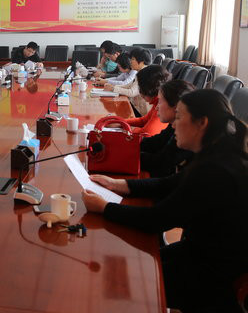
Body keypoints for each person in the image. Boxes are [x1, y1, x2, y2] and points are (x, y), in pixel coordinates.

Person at [82, 89, 248, 312]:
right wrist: (118, 184)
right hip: (199, 253)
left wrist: (105, 208)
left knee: (121, 280)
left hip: (215, 277)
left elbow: (157, 219)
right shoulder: (218, 154)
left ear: (202, 123)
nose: (173, 125)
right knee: (132, 260)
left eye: (179, 117)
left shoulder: (215, 170)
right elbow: (168, 184)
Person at [141, 79, 195, 177]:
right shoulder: (173, 125)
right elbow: (156, 142)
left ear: (176, 106)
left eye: (160, 102)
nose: (156, 107)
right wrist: (127, 144)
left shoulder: (187, 135)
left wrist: (128, 154)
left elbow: (161, 163)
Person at [120, 64, 170, 136]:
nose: (140, 91)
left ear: (149, 88)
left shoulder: (162, 105)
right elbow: (143, 120)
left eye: (140, 87)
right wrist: (121, 122)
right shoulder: (157, 101)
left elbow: (146, 134)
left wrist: (125, 127)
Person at [105, 47, 152, 116]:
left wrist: (113, 88)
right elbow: (128, 85)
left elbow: (132, 92)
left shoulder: (145, 74)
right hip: (137, 107)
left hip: (142, 112)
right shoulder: (140, 71)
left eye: (132, 59)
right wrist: (113, 87)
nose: (130, 62)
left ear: (141, 61)